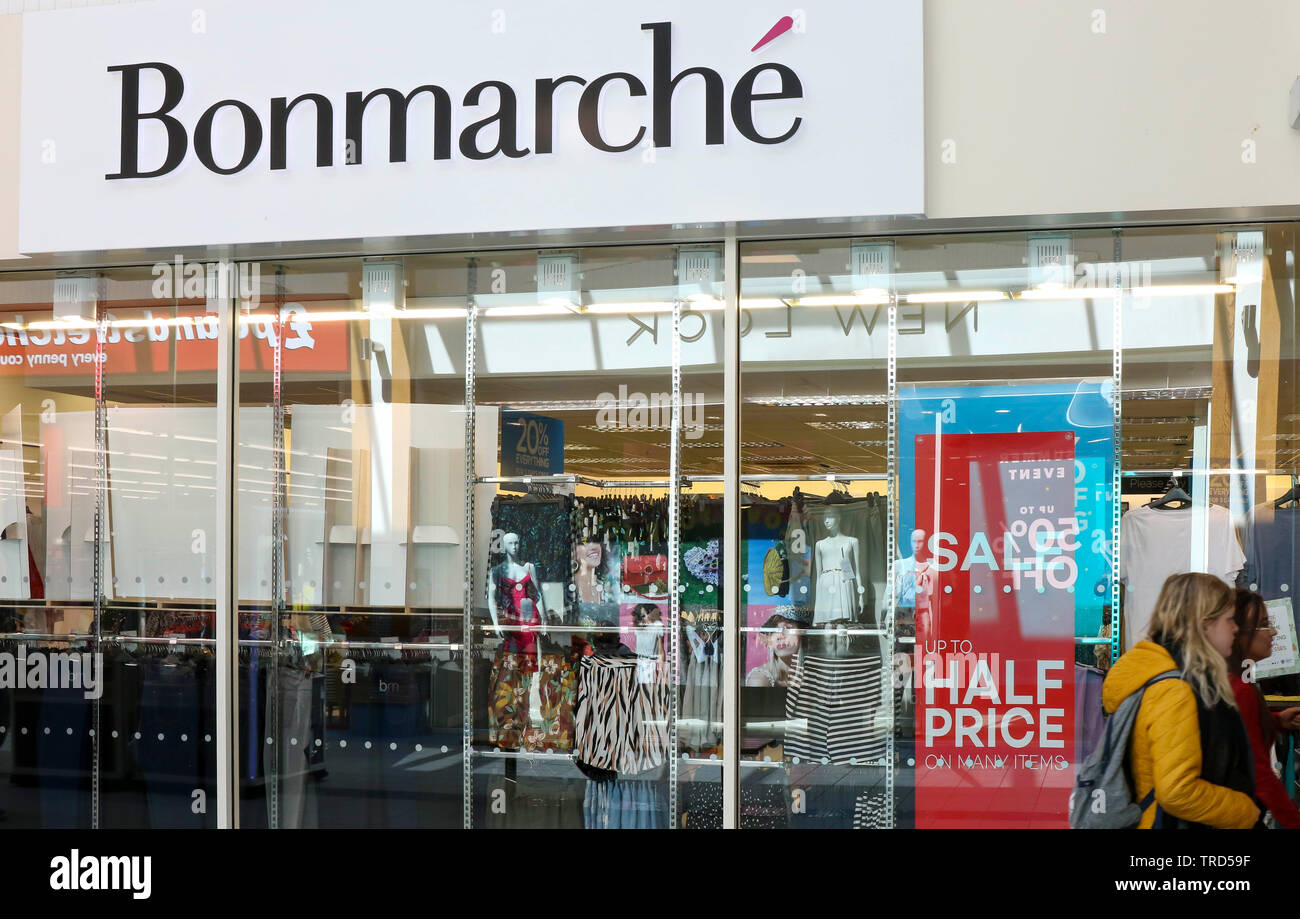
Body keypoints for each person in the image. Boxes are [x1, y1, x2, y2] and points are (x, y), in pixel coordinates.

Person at [1101, 571, 1260, 829]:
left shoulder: (1162, 673)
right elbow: (1177, 791)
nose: (1235, 628)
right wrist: (1246, 811)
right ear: (1205, 624)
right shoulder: (1175, 689)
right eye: (1229, 619)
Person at [1228, 589, 1300, 828]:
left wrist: (1276, 720)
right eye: (1264, 624)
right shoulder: (1240, 689)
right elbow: (1258, 773)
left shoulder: (1230, 680)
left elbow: (1238, 730)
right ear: (1237, 632)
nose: (1274, 631)